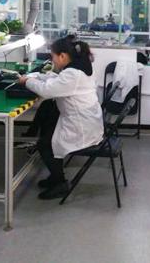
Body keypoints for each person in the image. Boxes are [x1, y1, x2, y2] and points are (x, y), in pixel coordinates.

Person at [18, 37, 103, 200]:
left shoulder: (73, 74)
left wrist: (27, 81)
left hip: (82, 129)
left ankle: (60, 183)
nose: (53, 61)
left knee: (45, 144)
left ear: (63, 56)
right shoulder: (78, 68)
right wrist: (37, 77)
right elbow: (56, 81)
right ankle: (55, 177)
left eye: (53, 57)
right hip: (85, 121)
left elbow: (47, 91)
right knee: (48, 114)